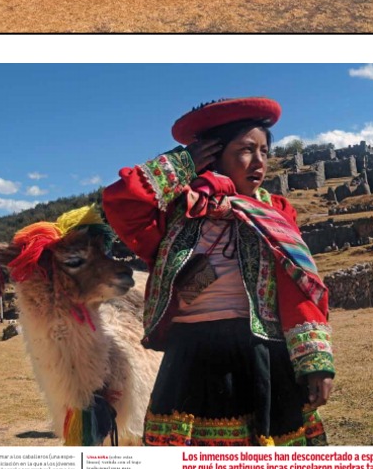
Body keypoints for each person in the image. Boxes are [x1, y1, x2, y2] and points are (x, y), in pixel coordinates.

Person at [102, 97, 334, 447]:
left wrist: (315, 362)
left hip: (261, 356)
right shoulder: (178, 215)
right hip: (190, 359)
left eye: (264, 152)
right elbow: (122, 202)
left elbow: (297, 290)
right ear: (213, 155)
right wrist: (182, 164)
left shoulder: (274, 215)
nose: (259, 162)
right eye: (245, 150)